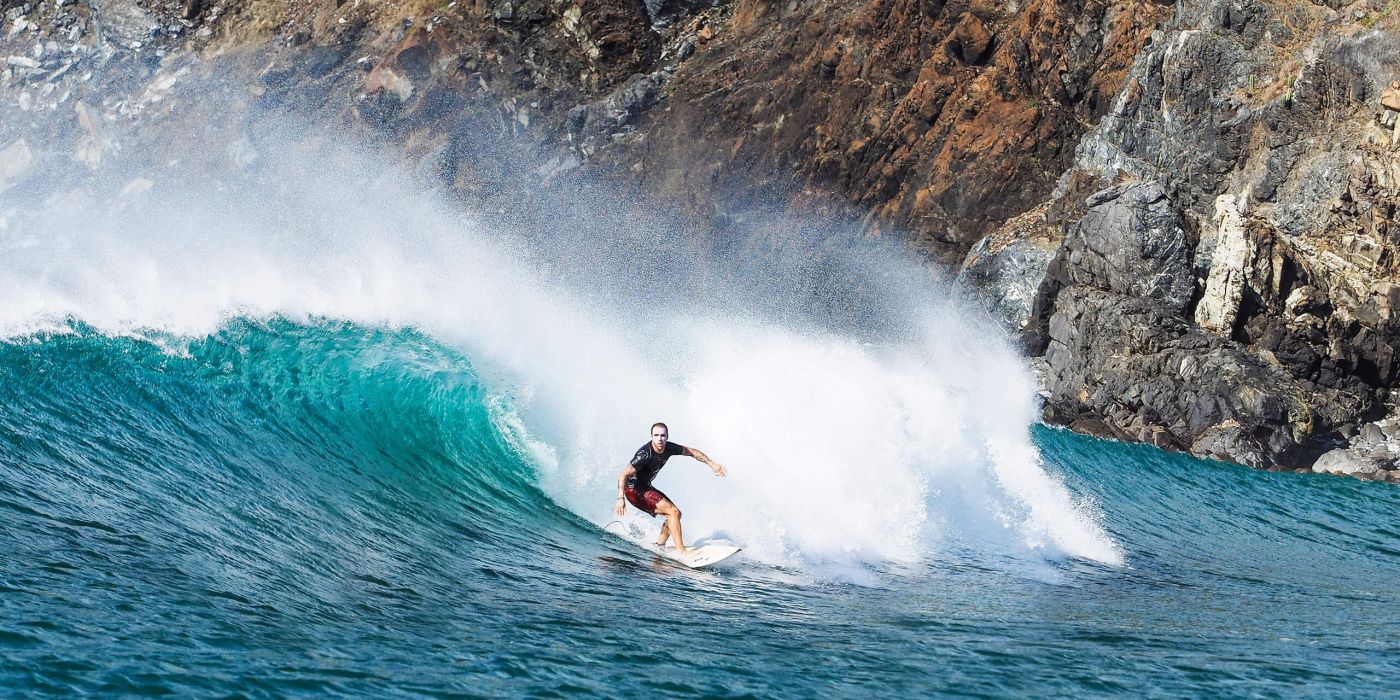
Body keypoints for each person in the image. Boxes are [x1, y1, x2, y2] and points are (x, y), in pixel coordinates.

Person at [614, 422, 727, 554]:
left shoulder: (669, 447)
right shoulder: (644, 454)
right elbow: (623, 475)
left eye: (663, 435)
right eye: (656, 435)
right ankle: (681, 551)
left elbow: (692, 452)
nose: (660, 439)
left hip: (645, 487)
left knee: (676, 514)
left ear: (667, 436)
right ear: (651, 436)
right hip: (633, 490)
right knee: (673, 512)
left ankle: (659, 545)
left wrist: (712, 464)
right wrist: (620, 498)